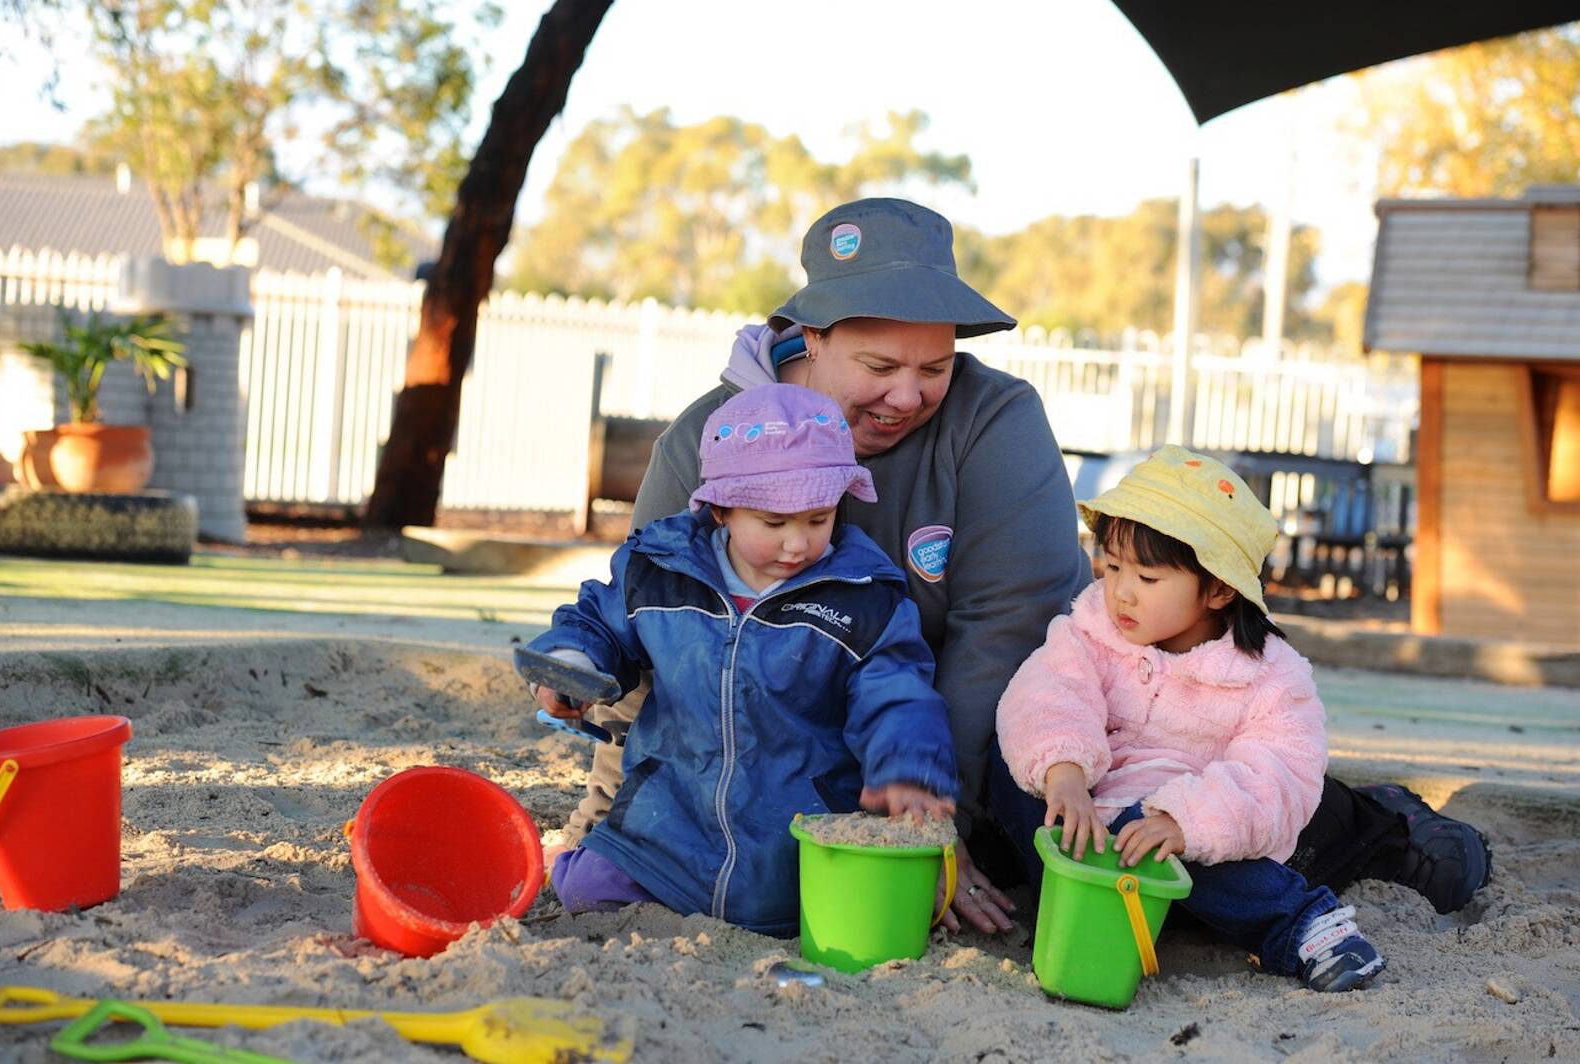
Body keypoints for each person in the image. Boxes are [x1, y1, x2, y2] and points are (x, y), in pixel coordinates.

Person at [560, 196, 1491, 933]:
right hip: (786, 746)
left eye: (933, 366)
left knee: (1078, 849)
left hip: (964, 734)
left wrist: (942, 825)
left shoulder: (992, 420)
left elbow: (1009, 634)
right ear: (809, 337)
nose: (910, 394)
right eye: (880, 365)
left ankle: (1370, 828)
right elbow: (658, 624)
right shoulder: (707, 440)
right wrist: (608, 813)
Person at [525, 383, 958, 935]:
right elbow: (596, 622)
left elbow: (899, 690)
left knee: (847, 917)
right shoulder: (661, 570)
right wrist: (569, 665)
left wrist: (908, 768)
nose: (797, 544)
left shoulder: (861, 597)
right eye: (774, 524)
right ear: (722, 510)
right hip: (670, 823)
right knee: (585, 887)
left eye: (818, 518)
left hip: (795, 835)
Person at [996, 447, 1385, 992]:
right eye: (1111, 567)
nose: (1120, 592)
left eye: (1148, 579)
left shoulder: (1269, 678)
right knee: (1015, 754)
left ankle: (1300, 924)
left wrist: (1183, 823)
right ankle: (1068, 899)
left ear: (1220, 588)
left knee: (1207, 845)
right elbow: (1050, 693)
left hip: (1174, 853)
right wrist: (1063, 772)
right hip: (1084, 821)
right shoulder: (1090, 629)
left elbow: (1279, 774)